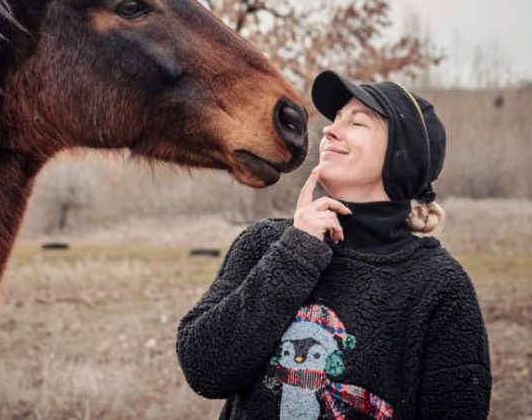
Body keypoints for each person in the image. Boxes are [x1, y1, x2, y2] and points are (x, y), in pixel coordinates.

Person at [176, 70, 491, 419]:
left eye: (357, 123)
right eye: (335, 119)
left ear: (400, 156)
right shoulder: (266, 243)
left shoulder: (440, 285)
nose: (328, 130)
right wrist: (296, 253)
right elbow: (204, 369)